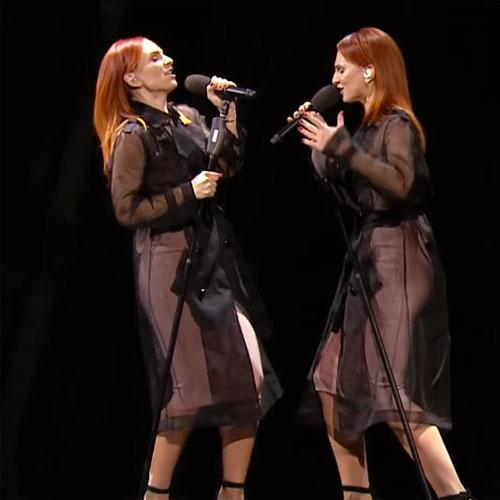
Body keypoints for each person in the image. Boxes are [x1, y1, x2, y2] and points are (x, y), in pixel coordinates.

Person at [93, 36, 282, 500]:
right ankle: (156, 493)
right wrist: (186, 193)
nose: (169, 61)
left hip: (212, 256)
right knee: (189, 390)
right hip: (169, 263)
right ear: (131, 77)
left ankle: (232, 492)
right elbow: (126, 210)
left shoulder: (187, 117)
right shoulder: (133, 133)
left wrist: (226, 112)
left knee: (250, 377)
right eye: (155, 58)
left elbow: (227, 165)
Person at [292, 27, 474, 500]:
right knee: (331, 384)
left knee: (394, 394)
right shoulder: (366, 129)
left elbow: (403, 185)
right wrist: (323, 153)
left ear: (370, 70)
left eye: (341, 68)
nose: (334, 78)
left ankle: (454, 494)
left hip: (400, 259)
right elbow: (355, 199)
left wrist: (343, 150)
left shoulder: (397, 124)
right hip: (369, 258)